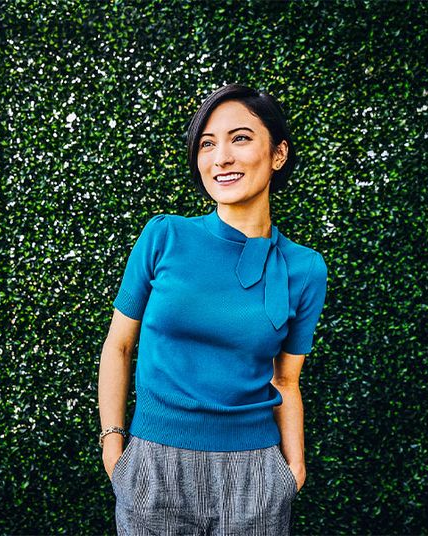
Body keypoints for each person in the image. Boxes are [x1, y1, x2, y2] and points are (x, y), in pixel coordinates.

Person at [97, 83, 328, 535]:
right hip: (153, 467)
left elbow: (286, 379)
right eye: (207, 143)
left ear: (278, 154)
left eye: (239, 138)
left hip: (256, 476)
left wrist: (293, 468)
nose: (220, 157)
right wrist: (113, 445)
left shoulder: (305, 268)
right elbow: (119, 346)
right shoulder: (163, 236)